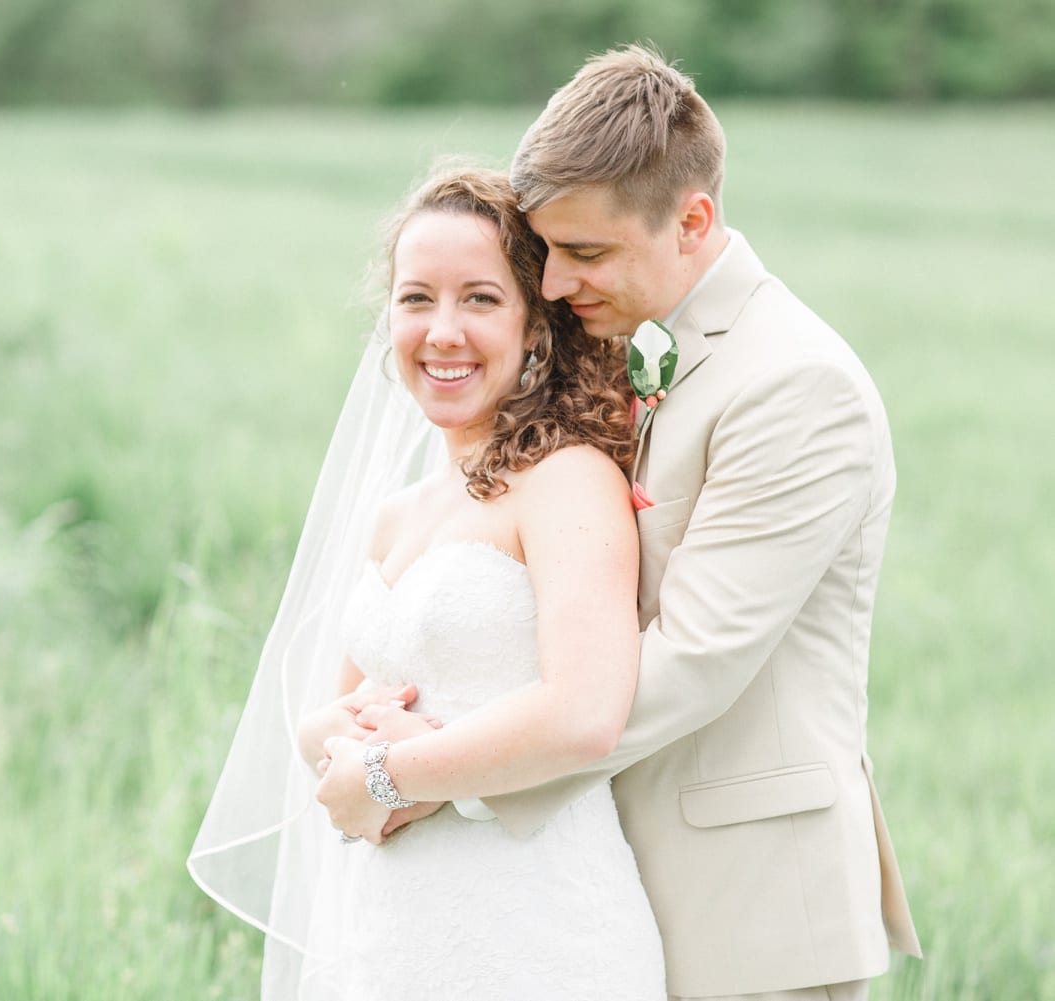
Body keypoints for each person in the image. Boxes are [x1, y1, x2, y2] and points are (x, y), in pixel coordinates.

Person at [340, 44, 921, 1001]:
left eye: (587, 252)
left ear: (693, 219)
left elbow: (688, 657)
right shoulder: (655, 355)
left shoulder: (795, 384)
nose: (558, 283)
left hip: (752, 909)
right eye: (550, 252)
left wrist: (422, 768)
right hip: (606, 886)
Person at [190, 166, 667, 999]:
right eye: (417, 298)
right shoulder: (396, 516)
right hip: (389, 933)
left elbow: (586, 712)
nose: (442, 330)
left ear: (534, 325)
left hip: (536, 932)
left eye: (479, 299)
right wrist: (332, 741)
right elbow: (328, 719)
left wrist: (383, 775)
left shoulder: (569, 480)